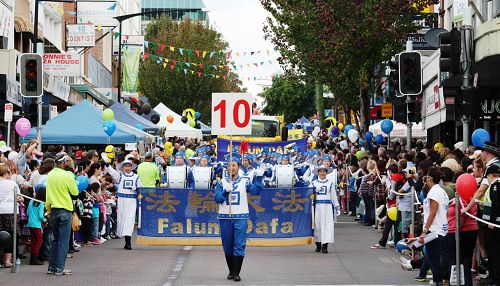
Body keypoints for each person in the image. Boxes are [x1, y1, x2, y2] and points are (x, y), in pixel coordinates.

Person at [214, 156, 264, 282]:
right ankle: (231, 270)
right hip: (225, 216)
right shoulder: (221, 182)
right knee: (227, 244)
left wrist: (259, 177)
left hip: (240, 216)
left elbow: (256, 191)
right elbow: (217, 199)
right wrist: (225, 192)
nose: (232, 168)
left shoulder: (245, 181)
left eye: (234, 165)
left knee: (239, 244)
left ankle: (236, 272)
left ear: (238, 167)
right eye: (229, 165)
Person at [45, 153, 79, 275]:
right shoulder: (67, 175)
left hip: (53, 209)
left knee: (55, 239)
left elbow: (48, 194)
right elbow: (75, 193)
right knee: (63, 241)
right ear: (64, 163)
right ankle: (59, 268)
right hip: (65, 209)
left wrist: (48, 209)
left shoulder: (50, 175)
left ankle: (51, 267)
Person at [419, 167, 449, 286]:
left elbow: (433, 212)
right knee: (435, 260)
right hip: (442, 229)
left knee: (434, 261)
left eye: (427, 177)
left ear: (430, 178)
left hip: (434, 231)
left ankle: (438, 282)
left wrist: (424, 231)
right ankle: (440, 281)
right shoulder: (442, 191)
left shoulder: (434, 192)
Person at [106, 159, 142, 250]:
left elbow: (141, 189)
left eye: (129, 166)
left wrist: (135, 189)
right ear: (122, 167)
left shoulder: (136, 177)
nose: (127, 168)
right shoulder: (120, 176)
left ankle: (128, 242)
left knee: (129, 220)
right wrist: (107, 165)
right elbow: (113, 172)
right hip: (122, 200)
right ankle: (126, 241)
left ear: (131, 167)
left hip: (132, 201)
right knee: (122, 219)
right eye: (125, 166)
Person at [310, 164, 339, 253]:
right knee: (317, 225)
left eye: (324, 171)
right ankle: (318, 245)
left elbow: (333, 196)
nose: (322, 173)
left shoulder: (330, 183)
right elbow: (309, 196)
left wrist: (337, 206)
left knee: (327, 225)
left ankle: (325, 246)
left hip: (327, 207)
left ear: (326, 173)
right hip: (317, 207)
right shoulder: (313, 183)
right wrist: (314, 192)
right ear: (318, 173)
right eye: (321, 172)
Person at [481, 161, 500, 286]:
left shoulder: (495, 186)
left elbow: (497, 205)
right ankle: (493, 277)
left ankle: (496, 278)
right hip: (490, 223)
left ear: (491, 175)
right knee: (492, 251)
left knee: (495, 252)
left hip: (493, 225)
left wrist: (492, 222)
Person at [0, 163, 21, 268]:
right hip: (10, 211)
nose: (10, 174)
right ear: (4, 173)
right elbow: (20, 197)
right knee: (11, 236)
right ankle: (7, 260)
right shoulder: (12, 183)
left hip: (0, 211)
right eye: (8, 172)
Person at [27, 185, 47, 265]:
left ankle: (32, 258)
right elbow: (40, 216)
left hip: (30, 224)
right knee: (39, 241)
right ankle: (35, 258)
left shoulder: (31, 201)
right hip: (37, 225)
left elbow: (27, 213)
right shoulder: (41, 203)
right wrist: (45, 220)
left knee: (33, 241)